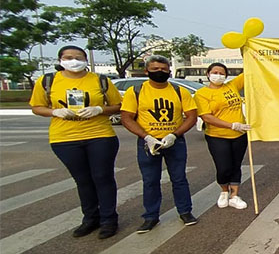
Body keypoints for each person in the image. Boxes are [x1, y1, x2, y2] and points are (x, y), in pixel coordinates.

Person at [29, 45, 123, 239]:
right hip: (64, 137)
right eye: (68, 57)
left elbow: (117, 105)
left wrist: (99, 110)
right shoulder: (48, 81)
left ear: (86, 60)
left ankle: (109, 219)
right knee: (82, 180)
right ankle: (90, 218)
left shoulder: (100, 80)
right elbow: (36, 107)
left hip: (99, 135)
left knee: (103, 177)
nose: (74, 60)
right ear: (60, 60)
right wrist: (54, 111)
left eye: (79, 57)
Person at [120, 55, 199, 233]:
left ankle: (185, 212)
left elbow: (192, 116)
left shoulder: (180, 91)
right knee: (150, 181)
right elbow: (126, 118)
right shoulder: (136, 91)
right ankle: (151, 217)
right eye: (155, 70)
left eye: (163, 69)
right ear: (146, 71)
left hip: (174, 142)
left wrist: (174, 134)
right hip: (148, 143)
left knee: (179, 179)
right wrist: (146, 137)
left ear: (169, 70)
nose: (160, 72)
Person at [194, 63, 251, 210]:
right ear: (208, 74)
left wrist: (249, 51)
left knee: (236, 165)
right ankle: (224, 191)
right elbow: (207, 117)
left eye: (221, 73)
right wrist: (231, 125)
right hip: (217, 135)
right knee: (223, 167)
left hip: (239, 135)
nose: (218, 75)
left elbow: (250, 71)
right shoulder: (202, 94)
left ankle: (234, 196)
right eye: (215, 72)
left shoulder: (232, 86)